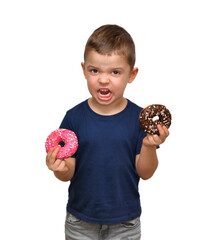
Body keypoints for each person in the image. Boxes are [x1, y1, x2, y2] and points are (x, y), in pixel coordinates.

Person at [46, 24, 170, 240]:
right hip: (80, 221)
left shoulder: (139, 119)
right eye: (95, 70)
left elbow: (146, 173)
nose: (103, 79)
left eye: (115, 72)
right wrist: (59, 168)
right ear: (84, 70)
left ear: (132, 75)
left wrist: (149, 146)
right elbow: (68, 172)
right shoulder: (73, 117)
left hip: (125, 223)